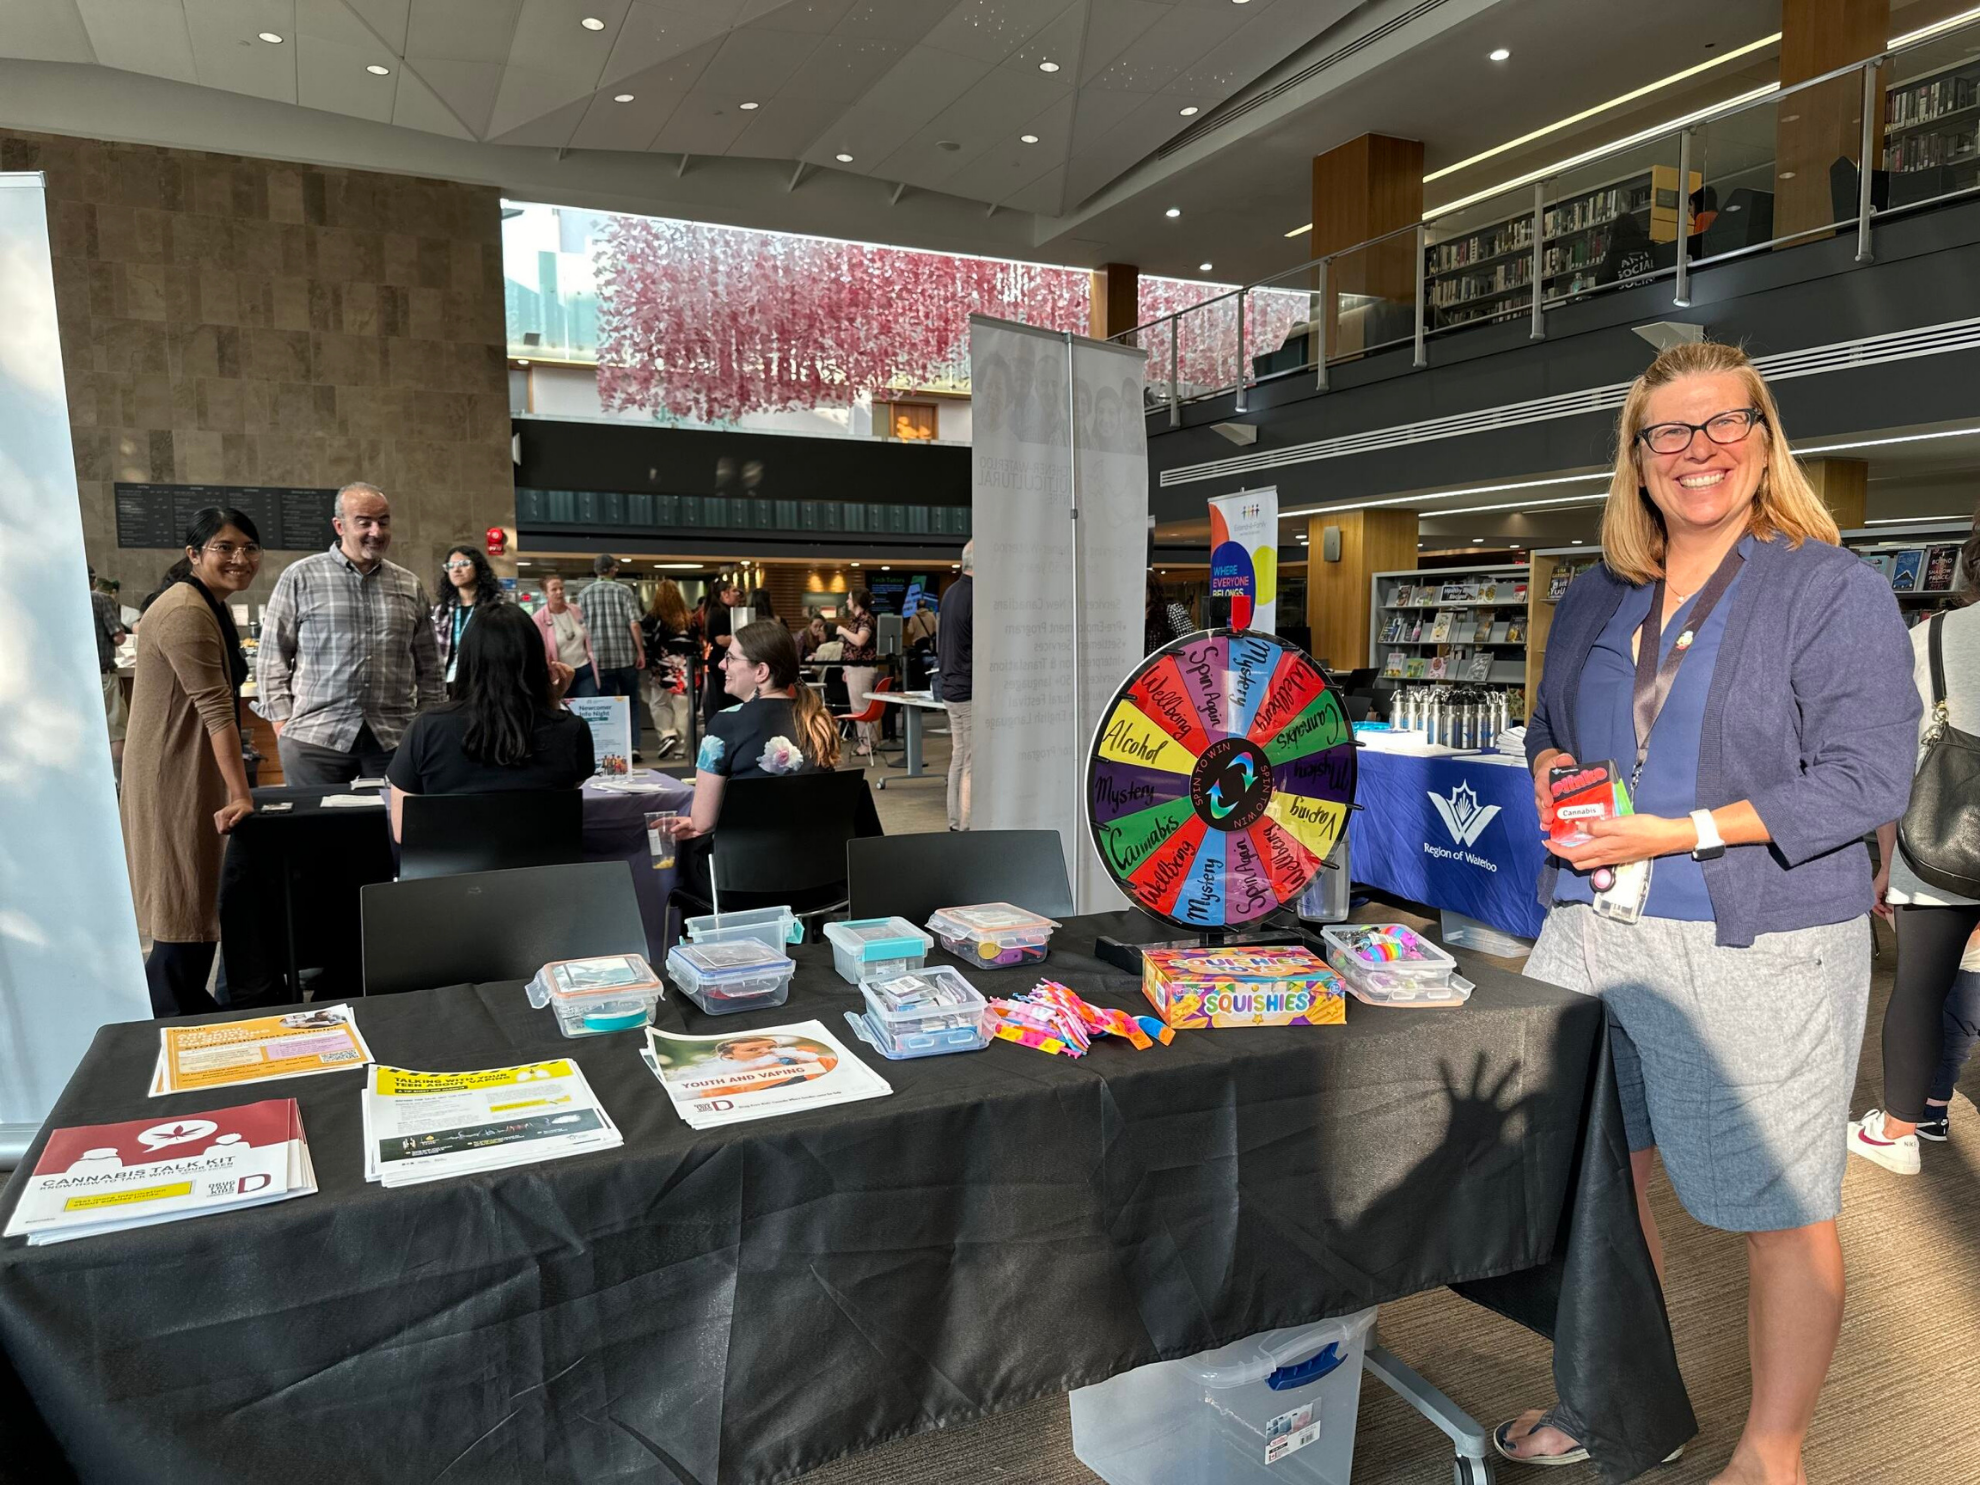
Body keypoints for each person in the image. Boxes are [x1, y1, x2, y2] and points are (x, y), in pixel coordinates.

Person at [1500, 340, 1917, 1480]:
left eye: (1727, 422)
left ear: (1765, 440)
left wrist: (1675, 831)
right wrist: (1545, 769)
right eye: (1671, 432)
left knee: (1781, 1204)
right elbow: (1548, 726)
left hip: (1760, 942)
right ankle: (1615, 1401)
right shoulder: (1598, 589)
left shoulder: (1828, 588)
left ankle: (1773, 1454)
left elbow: (1867, 779)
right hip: (1592, 927)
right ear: (1637, 459)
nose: (1701, 449)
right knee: (1592, 1187)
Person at [1848, 507, 1980, 1175]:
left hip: (1936, 840)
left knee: (1920, 987)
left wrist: (1888, 858)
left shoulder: (1930, 637)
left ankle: (1900, 1129)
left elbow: (1891, 758)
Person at [121, 508, 262, 1016]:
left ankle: (183, 1020)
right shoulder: (186, 610)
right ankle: (164, 1027)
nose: (239, 558)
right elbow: (217, 709)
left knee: (192, 906)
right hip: (173, 774)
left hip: (186, 767)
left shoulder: (203, 603)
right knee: (181, 911)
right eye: (224, 547)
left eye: (249, 547)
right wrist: (241, 793)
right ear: (194, 554)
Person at [255, 482, 443, 786]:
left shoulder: (409, 585)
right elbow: (271, 657)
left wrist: (425, 724)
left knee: (394, 818)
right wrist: (282, 723)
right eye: (364, 522)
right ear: (339, 526)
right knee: (316, 819)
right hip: (314, 740)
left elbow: (430, 666)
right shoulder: (300, 577)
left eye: (383, 522)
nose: (376, 532)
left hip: (393, 741)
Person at [385, 604, 589, 842]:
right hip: (543, 863)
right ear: (537, 658)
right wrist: (551, 702)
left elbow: (403, 831)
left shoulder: (426, 729)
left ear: (467, 660)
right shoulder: (572, 731)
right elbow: (562, 793)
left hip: (450, 865)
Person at [666, 621, 842, 892]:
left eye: (730, 658)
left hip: (743, 883)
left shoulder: (725, 724)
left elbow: (703, 821)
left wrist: (702, 822)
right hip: (820, 878)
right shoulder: (818, 721)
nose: (722, 665)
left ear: (761, 671)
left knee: (680, 857)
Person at [576, 554, 647, 759]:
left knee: (606, 706)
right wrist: (640, 651)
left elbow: (582, 627)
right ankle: (633, 747)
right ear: (613, 569)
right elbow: (634, 623)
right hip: (625, 657)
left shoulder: (584, 594)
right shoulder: (624, 591)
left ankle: (613, 748)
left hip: (599, 660)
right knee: (631, 702)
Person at [431, 544, 504, 686]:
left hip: (483, 683)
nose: (456, 570)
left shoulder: (495, 608)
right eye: (450, 566)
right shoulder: (441, 610)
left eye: (463, 564)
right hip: (447, 683)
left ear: (478, 567)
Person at [938, 544, 974, 832]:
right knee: (970, 762)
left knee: (960, 757)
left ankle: (955, 823)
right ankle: (965, 826)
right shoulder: (975, 596)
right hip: (968, 690)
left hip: (951, 687)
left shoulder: (951, 592)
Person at [641, 578, 695, 759]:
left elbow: (646, 641)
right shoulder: (688, 617)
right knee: (682, 707)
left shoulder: (653, 617)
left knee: (659, 703)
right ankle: (680, 747)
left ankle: (667, 734)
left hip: (662, 667)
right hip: (685, 667)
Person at [90, 565, 129, 779]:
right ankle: (119, 785)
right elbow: (119, 637)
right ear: (94, 581)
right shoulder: (102, 600)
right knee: (115, 731)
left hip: (73, 681)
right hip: (103, 676)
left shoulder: (63, 602)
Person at [532, 574, 599, 697]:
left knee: (590, 705)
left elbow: (588, 637)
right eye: (554, 589)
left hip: (584, 670)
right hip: (561, 675)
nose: (559, 592)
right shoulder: (538, 619)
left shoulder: (576, 610)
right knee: (564, 707)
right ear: (545, 593)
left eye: (561, 588)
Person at [839, 588, 879, 758]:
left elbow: (860, 641)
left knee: (861, 707)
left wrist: (842, 631)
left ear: (856, 601)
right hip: (854, 669)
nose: (847, 601)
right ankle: (867, 742)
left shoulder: (865, 620)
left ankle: (868, 744)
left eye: (849, 598)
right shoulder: (858, 619)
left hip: (861, 669)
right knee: (859, 706)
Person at [700, 579, 741, 723]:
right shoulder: (719, 613)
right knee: (725, 697)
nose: (737, 594)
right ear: (724, 594)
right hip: (720, 660)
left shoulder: (723, 611)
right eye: (734, 590)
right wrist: (743, 637)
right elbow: (721, 640)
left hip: (722, 660)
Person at [1145, 574, 1192, 651]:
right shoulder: (1132, 615)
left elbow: (1189, 643)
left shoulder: (1171, 611)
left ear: (1152, 590)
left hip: (1167, 657)